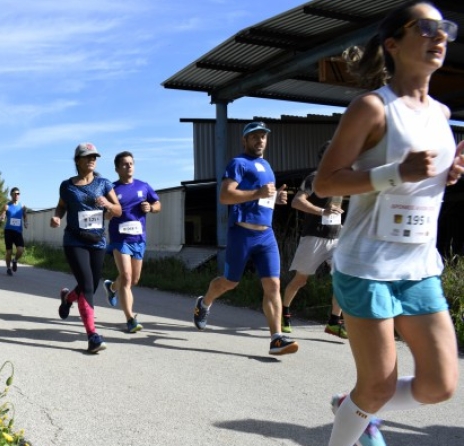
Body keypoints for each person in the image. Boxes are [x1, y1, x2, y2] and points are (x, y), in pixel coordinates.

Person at [314, 3, 463, 445]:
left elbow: (421, 183)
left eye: (446, 29)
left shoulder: (441, 113)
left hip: (419, 265)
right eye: (427, 27)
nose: (440, 36)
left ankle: (351, 406)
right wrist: (397, 172)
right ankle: (353, 423)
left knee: (440, 385)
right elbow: (325, 182)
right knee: (377, 385)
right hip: (367, 266)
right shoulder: (373, 108)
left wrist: (449, 173)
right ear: (393, 43)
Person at [192, 121, 299, 356]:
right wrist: (259, 193)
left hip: (266, 234)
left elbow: (262, 198)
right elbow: (225, 195)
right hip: (242, 233)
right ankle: (205, 302)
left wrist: (276, 198)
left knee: (273, 285)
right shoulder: (238, 163)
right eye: (255, 137)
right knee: (230, 283)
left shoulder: (267, 166)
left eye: (263, 136)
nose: (260, 140)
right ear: (245, 140)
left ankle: (276, 338)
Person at [50, 142, 122, 353]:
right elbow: (62, 206)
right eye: (88, 156)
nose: (92, 159)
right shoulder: (67, 186)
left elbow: (118, 210)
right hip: (74, 240)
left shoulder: (104, 183)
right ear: (78, 160)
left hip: (98, 241)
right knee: (88, 286)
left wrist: (108, 205)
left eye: (95, 157)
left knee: (89, 285)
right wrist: (56, 216)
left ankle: (67, 298)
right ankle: (92, 335)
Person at [281, 141, 348, 339]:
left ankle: (334, 322)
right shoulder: (315, 178)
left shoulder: (342, 180)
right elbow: (296, 201)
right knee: (301, 280)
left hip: (337, 237)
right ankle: (284, 314)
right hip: (314, 236)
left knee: (342, 280)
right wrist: (322, 211)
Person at [102, 151, 161, 333]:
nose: (129, 166)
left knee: (134, 279)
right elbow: (104, 215)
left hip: (139, 239)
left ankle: (112, 287)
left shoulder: (144, 186)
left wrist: (151, 207)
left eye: (131, 163)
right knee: (126, 277)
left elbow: (158, 205)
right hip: (120, 239)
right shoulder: (112, 189)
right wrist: (109, 213)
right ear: (117, 168)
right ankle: (130, 318)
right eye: (125, 164)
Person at [0, 187, 28, 276]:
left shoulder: (22, 206)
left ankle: (14, 260)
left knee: (21, 250)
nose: (16, 195)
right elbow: (2, 215)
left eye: (18, 193)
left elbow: (25, 216)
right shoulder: (7, 206)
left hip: (18, 231)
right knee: (9, 252)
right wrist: (1, 218)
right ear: (11, 195)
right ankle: (8, 268)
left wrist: (26, 222)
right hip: (8, 231)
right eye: (15, 193)